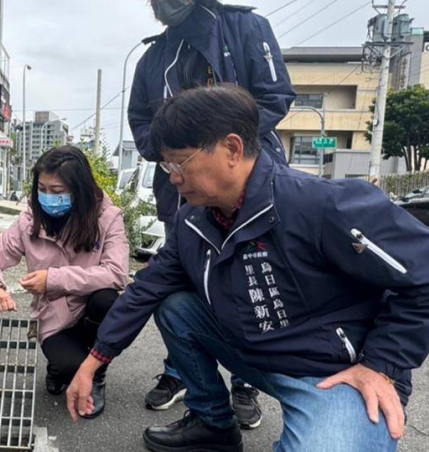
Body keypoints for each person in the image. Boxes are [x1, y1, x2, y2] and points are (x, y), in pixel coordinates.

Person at [66, 86, 429, 452]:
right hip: (256, 356)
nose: (172, 178)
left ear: (232, 149)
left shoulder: (321, 205)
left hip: (333, 374)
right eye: (166, 165)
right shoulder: (193, 222)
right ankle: (213, 424)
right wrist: (95, 360)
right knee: (174, 307)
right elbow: (145, 289)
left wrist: (382, 365)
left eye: (179, 162)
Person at [128, 0, 296, 427]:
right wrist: (173, 150)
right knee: (178, 281)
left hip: (246, 184)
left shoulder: (246, 27)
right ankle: (180, 372)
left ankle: (244, 383)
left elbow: (275, 96)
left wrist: (219, 152)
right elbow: (139, 120)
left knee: (247, 279)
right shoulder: (153, 56)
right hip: (179, 187)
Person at [0, 146, 129, 418]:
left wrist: (53, 278)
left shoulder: (107, 217)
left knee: (107, 299)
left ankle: (97, 373)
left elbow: (117, 272)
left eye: (57, 191)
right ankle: (62, 367)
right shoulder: (30, 220)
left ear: (78, 189)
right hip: (53, 318)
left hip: (89, 308)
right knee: (69, 367)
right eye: (42, 189)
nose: (48, 198)